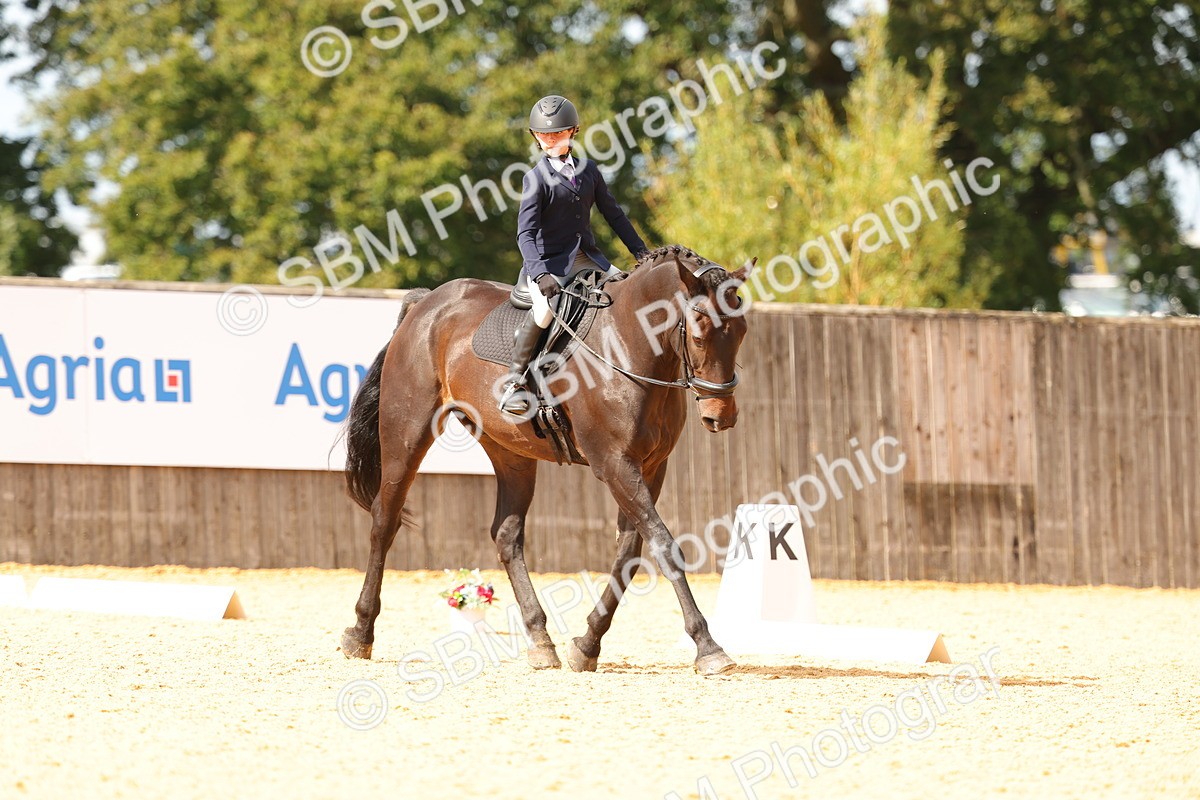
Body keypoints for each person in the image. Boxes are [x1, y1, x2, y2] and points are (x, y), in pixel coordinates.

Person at [499, 94, 649, 415]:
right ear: (536, 138)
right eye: (544, 135)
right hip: (548, 263)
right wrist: (540, 274)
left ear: (573, 132)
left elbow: (615, 216)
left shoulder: (589, 171)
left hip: (587, 256)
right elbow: (525, 234)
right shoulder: (534, 179)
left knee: (623, 291)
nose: (551, 139)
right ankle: (515, 380)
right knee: (544, 312)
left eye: (558, 133)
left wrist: (641, 254)